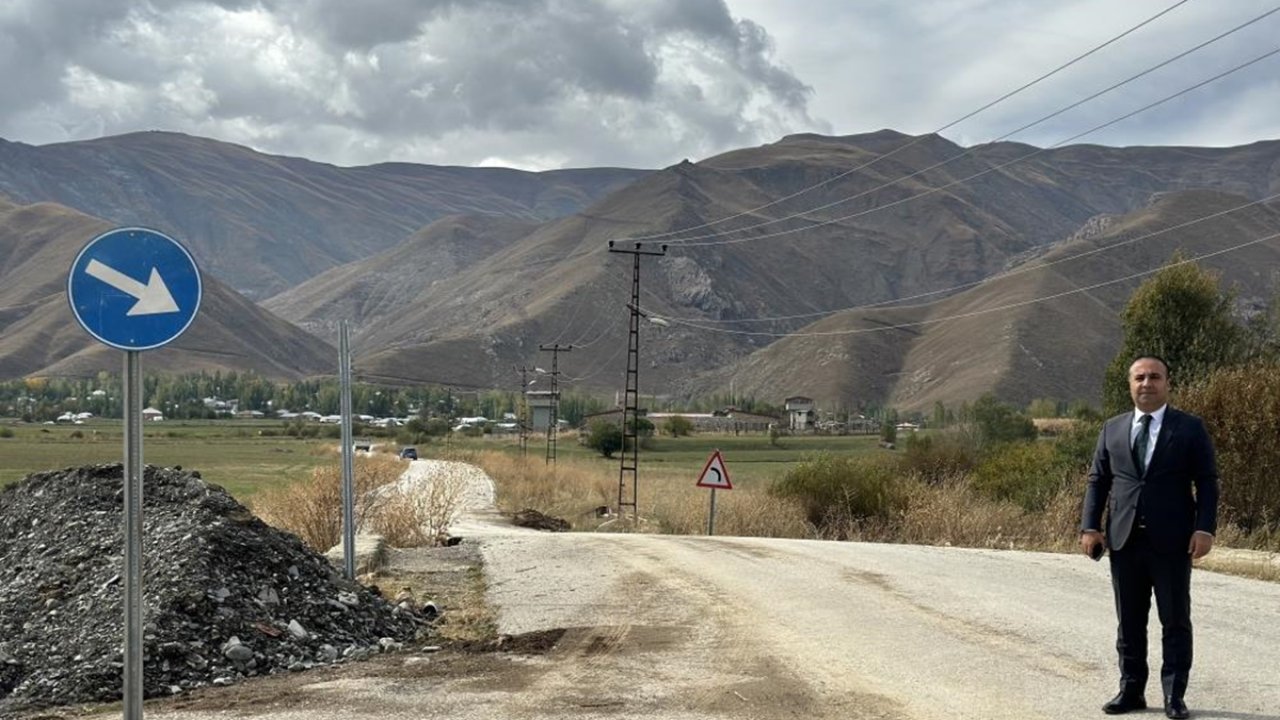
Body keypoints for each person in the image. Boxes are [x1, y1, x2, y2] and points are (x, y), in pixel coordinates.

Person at [1081, 355, 1219, 719]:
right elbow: (1098, 480)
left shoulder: (1189, 428)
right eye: (1139, 377)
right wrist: (1090, 527)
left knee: (1174, 620)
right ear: (1130, 384)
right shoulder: (1112, 428)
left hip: (1173, 542)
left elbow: (1206, 481)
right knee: (1129, 621)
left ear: (1167, 383)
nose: (1147, 383)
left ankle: (1174, 696)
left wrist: (1204, 528)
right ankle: (1131, 691)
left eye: (1154, 377)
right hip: (1124, 541)